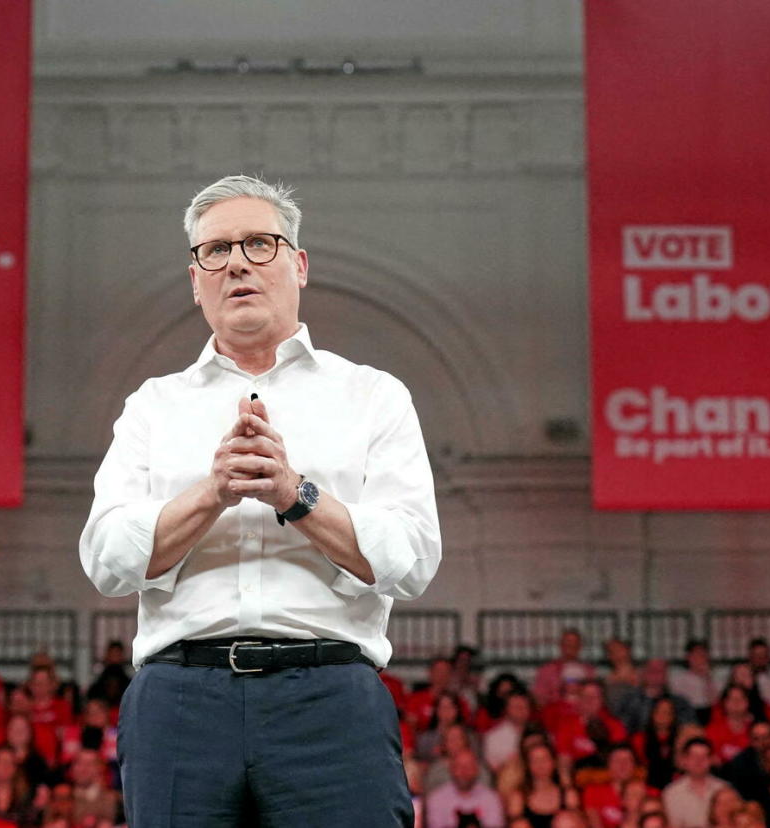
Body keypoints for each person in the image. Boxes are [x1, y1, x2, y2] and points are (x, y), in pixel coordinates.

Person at [77, 174, 441, 826]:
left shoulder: (372, 397)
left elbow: (411, 561)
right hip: (180, 700)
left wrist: (294, 495)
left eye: (258, 244)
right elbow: (106, 561)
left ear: (298, 265)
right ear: (196, 281)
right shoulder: (153, 407)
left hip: (330, 698)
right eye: (215, 251)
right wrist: (212, 492)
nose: (237, 262)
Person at [424, 750, 504, 828]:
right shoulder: (436, 798)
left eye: (469, 766)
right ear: (451, 769)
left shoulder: (491, 798)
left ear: (477, 770)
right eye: (459, 766)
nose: (464, 771)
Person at [662, 738, 731, 828]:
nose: (698, 761)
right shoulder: (671, 793)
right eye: (693, 756)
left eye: (704, 756)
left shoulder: (725, 789)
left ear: (711, 760)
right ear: (685, 760)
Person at [534, 630, 597, 707]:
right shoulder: (547, 670)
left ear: (580, 646)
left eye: (574, 644)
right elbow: (539, 699)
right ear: (561, 645)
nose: (571, 646)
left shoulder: (589, 671)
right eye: (567, 643)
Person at [672, 641, 720, 726]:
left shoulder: (714, 678)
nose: (700, 659)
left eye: (703, 655)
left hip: (709, 717)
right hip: (688, 718)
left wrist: (707, 678)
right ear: (688, 657)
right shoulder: (678, 679)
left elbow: (715, 701)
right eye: (696, 655)